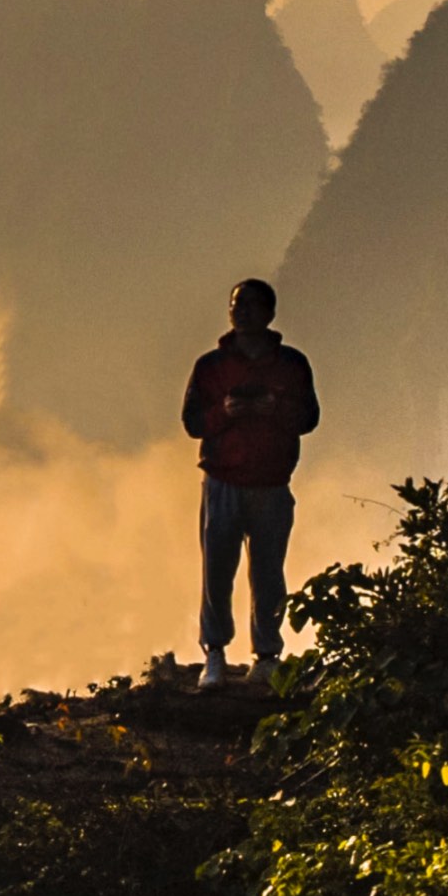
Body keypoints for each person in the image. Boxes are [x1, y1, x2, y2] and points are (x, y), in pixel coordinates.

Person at [180, 277, 318, 691]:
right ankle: (215, 654)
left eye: (251, 305)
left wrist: (273, 407)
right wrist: (226, 412)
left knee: (268, 573)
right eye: (236, 304)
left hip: (272, 483)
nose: (241, 311)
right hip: (222, 481)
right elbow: (192, 423)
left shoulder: (292, 365)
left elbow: (309, 418)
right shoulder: (210, 367)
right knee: (218, 571)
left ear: (270, 313)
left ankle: (268, 656)